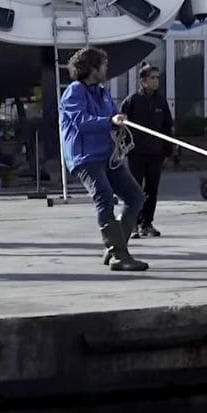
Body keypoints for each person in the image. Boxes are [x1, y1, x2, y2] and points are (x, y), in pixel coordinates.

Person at [59, 47, 148, 272]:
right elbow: (81, 121)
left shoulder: (102, 91)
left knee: (135, 196)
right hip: (85, 157)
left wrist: (119, 121)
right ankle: (119, 254)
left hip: (107, 155)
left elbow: (112, 114)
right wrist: (110, 121)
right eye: (103, 64)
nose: (107, 68)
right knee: (105, 196)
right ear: (91, 67)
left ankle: (115, 248)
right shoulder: (74, 91)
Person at [119, 64, 173, 238]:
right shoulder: (132, 101)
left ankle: (146, 223)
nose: (156, 81)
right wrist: (125, 148)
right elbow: (121, 127)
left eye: (157, 78)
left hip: (155, 153)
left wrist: (167, 151)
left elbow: (167, 127)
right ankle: (132, 224)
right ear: (143, 81)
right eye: (152, 78)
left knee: (152, 189)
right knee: (135, 189)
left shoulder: (161, 102)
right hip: (136, 154)